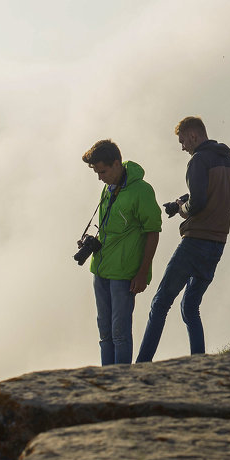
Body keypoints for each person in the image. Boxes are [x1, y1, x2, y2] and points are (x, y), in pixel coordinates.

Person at [135, 116, 230, 361]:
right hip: (218, 244)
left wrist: (180, 209)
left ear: (194, 136)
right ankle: (198, 362)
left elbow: (196, 203)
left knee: (160, 303)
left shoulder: (198, 161)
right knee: (190, 307)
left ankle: (142, 365)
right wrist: (216, 207)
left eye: (182, 141)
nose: (182, 147)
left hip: (195, 241)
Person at [81, 139, 162, 365]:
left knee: (119, 333)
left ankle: (123, 387)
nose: (100, 177)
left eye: (103, 171)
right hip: (101, 269)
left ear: (117, 164)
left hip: (124, 274)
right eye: (97, 172)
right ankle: (108, 383)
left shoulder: (142, 191)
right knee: (105, 333)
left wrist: (142, 273)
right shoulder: (109, 189)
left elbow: (153, 231)